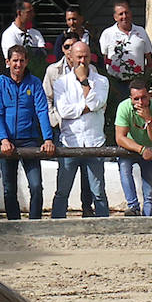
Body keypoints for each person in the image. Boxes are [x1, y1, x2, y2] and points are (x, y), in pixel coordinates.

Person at [0, 46, 55, 221]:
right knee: (9, 188)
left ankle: (35, 222)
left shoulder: (34, 83)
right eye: (15, 60)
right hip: (8, 141)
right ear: (7, 62)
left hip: (30, 141)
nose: (18, 64)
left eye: (21, 60)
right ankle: (14, 223)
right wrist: (3, 138)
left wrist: (48, 138)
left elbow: (42, 110)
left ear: (27, 62)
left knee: (35, 185)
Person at [51, 42, 109, 219]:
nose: (82, 60)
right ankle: (56, 225)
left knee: (98, 191)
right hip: (70, 142)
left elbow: (98, 102)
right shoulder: (61, 83)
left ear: (90, 56)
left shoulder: (101, 81)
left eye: (85, 56)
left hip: (95, 141)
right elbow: (63, 111)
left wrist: (85, 84)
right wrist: (87, 106)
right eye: (79, 57)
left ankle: (104, 227)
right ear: (71, 57)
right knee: (62, 190)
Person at [113, 77, 152, 216]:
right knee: (124, 169)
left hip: (151, 149)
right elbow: (120, 137)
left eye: (143, 98)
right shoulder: (124, 107)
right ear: (131, 98)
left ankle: (148, 219)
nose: (140, 102)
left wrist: (148, 119)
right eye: (136, 99)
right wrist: (141, 149)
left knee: (149, 191)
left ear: (149, 95)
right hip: (131, 147)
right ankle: (133, 206)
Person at [100, 1, 152, 95]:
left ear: (131, 13)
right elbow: (103, 61)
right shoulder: (107, 34)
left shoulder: (141, 32)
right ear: (115, 17)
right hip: (116, 84)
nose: (124, 16)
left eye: (126, 12)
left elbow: (149, 61)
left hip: (137, 84)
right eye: (121, 14)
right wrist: (110, 83)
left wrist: (144, 81)